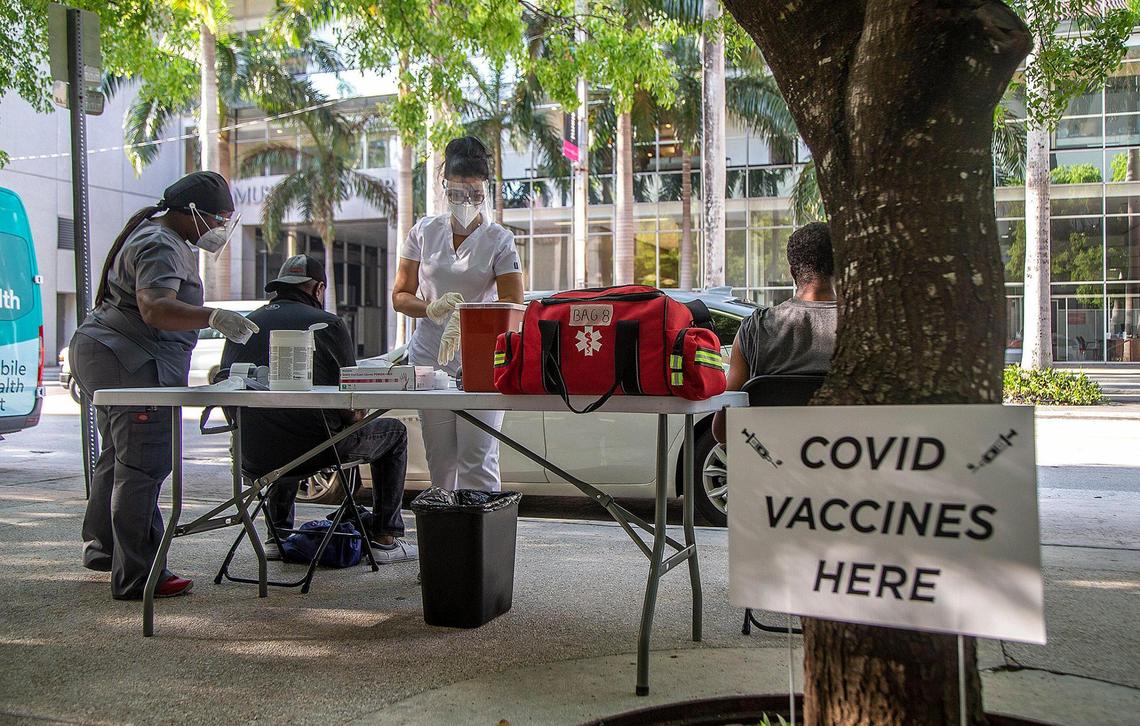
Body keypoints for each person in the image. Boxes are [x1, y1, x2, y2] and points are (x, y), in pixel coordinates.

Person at [71, 171, 259, 600]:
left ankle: (104, 550)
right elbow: (155, 308)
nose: (220, 228)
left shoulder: (156, 235)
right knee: (144, 461)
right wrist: (211, 316)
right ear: (192, 212)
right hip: (129, 357)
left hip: (110, 353)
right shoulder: (160, 243)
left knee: (120, 456)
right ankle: (140, 574)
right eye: (218, 218)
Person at [219, 254, 416, 563]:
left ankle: (277, 535)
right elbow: (350, 398)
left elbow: (228, 390)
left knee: (276, 424)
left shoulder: (246, 323)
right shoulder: (328, 324)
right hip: (317, 450)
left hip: (253, 453)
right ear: (319, 289)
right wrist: (356, 415)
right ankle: (385, 538)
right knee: (395, 433)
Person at [392, 136, 524, 491]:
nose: (466, 199)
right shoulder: (423, 232)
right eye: (458, 191)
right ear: (444, 185)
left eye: (475, 192)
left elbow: (513, 303)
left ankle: (479, 538)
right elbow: (400, 296)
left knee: (477, 457)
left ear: (486, 188)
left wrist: (467, 318)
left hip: (480, 360)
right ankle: (447, 537)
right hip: (428, 359)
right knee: (441, 460)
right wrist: (432, 309)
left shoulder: (499, 239)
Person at [713, 221, 838, 443]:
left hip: (771, 466)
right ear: (839, 267)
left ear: (792, 272)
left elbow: (722, 431)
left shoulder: (755, 329)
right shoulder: (865, 332)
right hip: (848, 460)